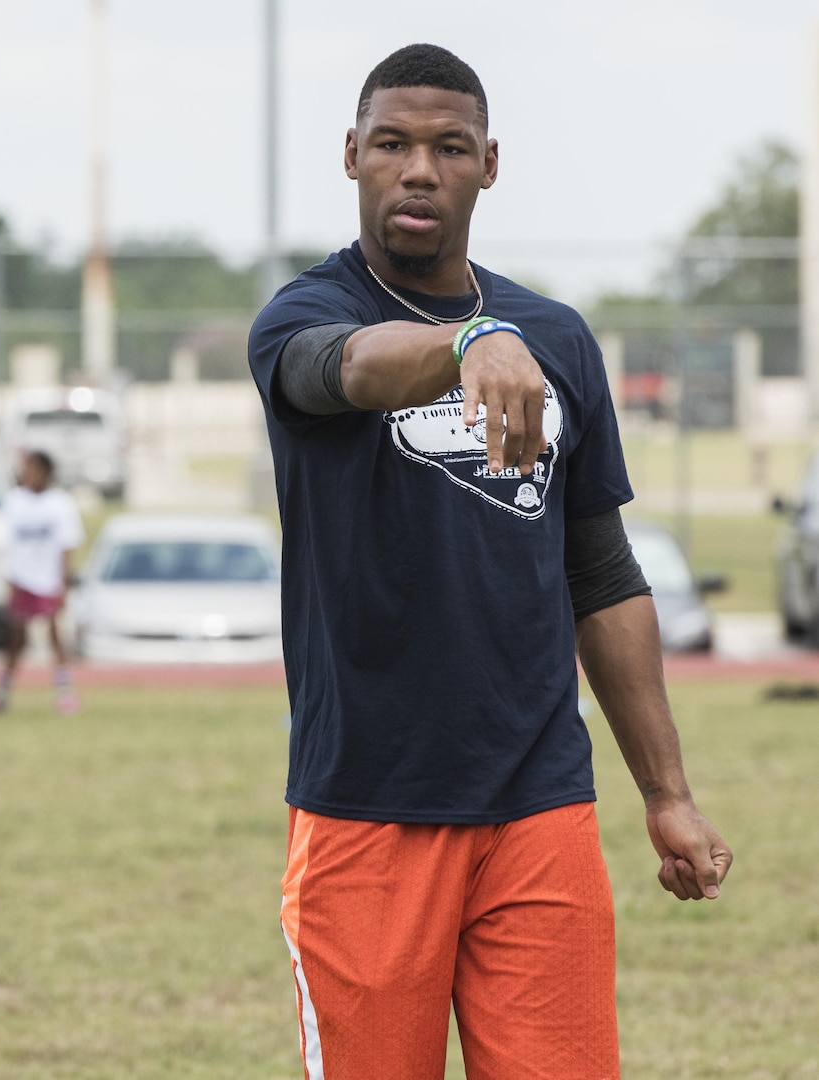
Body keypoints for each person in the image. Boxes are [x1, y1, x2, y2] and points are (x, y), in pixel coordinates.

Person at [246, 44, 731, 1079]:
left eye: (447, 147)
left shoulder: (556, 337)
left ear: (487, 165)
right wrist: (471, 341)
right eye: (392, 144)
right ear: (351, 156)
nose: (418, 169)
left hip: (539, 805)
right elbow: (346, 370)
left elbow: (601, 575)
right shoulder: (302, 316)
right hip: (364, 807)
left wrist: (665, 790)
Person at [0, 450, 83, 716]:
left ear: (46, 472)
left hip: (48, 580)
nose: (27, 474)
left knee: (55, 636)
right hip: (22, 578)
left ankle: (65, 694)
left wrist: (63, 582)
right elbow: (9, 544)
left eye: (33, 469)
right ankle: (1, 694)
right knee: (15, 639)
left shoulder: (60, 503)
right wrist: (10, 580)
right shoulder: (15, 501)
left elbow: (67, 545)